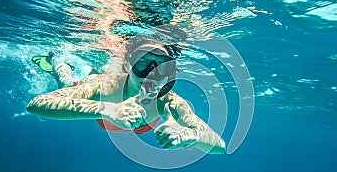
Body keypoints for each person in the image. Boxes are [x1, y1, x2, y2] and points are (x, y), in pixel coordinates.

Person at [26, 38, 226, 154]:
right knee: (67, 83)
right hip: (104, 95)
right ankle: (57, 62)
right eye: (142, 63)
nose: (150, 75)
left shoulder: (169, 101)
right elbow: (36, 104)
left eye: (161, 67)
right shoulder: (102, 86)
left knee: (106, 69)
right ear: (130, 64)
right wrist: (108, 109)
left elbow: (220, 146)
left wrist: (191, 135)